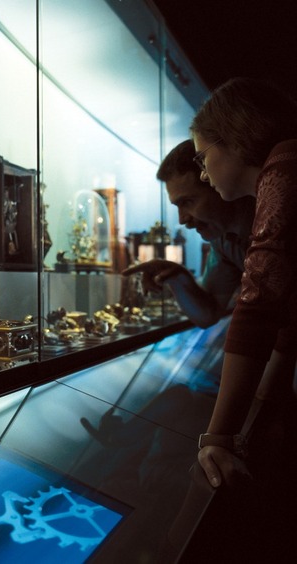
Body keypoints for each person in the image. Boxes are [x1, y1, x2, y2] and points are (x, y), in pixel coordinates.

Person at [190, 77, 297, 489]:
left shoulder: (285, 164)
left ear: (235, 137)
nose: (203, 175)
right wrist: (268, 392)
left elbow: (260, 301)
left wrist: (218, 439)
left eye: (202, 158)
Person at [122, 140, 255, 329]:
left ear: (216, 184)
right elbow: (208, 315)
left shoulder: (274, 217)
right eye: (178, 206)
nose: (182, 219)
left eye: (188, 202)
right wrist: (179, 277)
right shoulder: (223, 240)